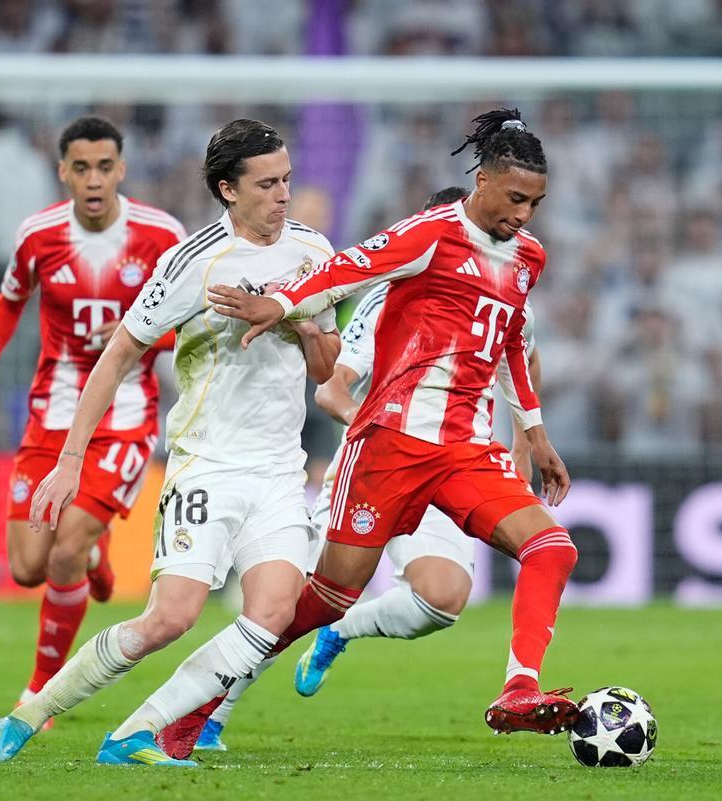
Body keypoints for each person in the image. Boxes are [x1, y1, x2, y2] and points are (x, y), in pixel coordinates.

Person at [0, 118, 341, 766]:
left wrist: (303, 323)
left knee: (274, 613)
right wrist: (69, 462)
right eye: (266, 184)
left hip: (279, 469)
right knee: (169, 618)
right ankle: (30, 713)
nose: (283, 195)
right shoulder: (192, 261)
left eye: (286, 179)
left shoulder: (313, 251)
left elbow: (324, 367)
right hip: (207, 466)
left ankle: (135, 731)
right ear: (228, 189)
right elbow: (116, 356)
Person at [205, 108, 579, 741]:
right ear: (480, 183)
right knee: (318, 600)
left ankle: (519, 689)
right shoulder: (423, 245)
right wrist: (279, 302)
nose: (523, 216)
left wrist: (534, 432)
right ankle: (207, 707)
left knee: (520, 564)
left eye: (535, 204)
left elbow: (515, 335)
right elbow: (350, 268)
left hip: (461, 453)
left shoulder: (526, 259)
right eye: (515, 199)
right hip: (388, 452)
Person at [0, 116, 185, 724]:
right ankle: (93, 555)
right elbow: (9, 302)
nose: (93, 179)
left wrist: (142, 336)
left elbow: (189, 322)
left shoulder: (161, 235)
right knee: (28, 566)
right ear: (63, 171)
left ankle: (40, 690)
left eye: (104, 166)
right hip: (52, 415)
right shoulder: (38, 236)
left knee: (63, 553)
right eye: (80, 168)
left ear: (122, 169)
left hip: (125, 416)